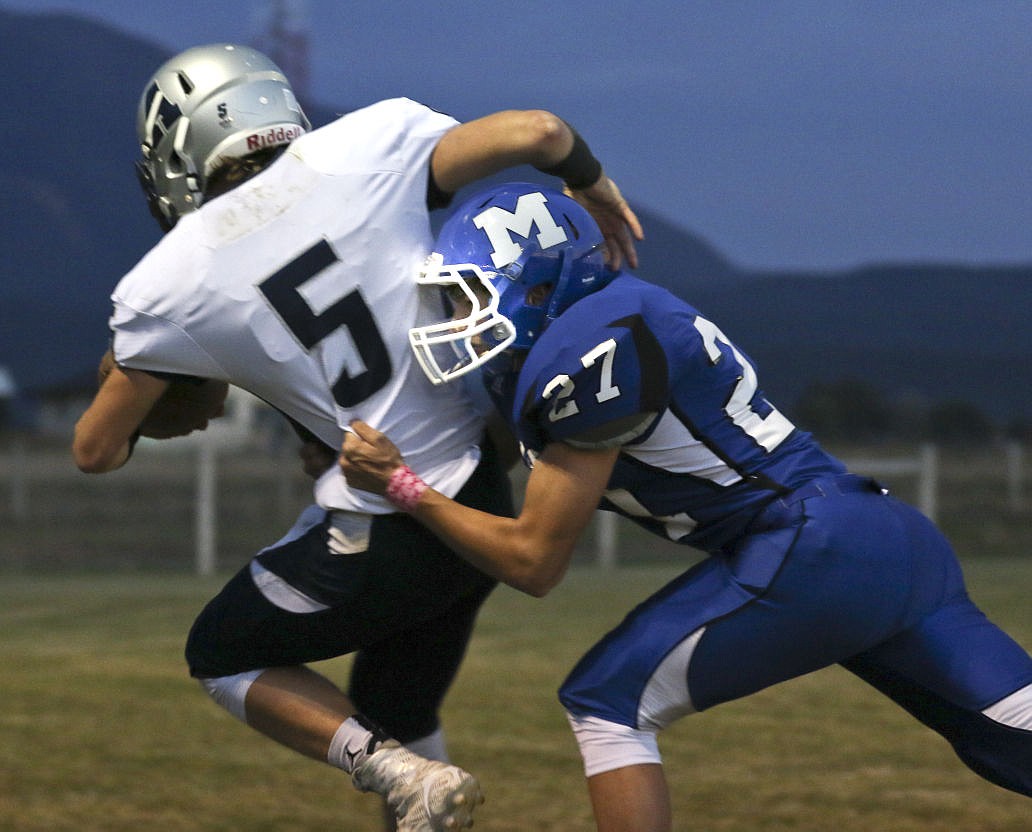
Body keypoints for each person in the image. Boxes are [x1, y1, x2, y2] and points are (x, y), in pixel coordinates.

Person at [71, 43, 643, 832]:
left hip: (386, 524)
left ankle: (390, 772)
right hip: (480, 492)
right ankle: (411, 772)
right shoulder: (369, 143)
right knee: (397, 708)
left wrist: (140, 368)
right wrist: (591, 182)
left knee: (223, 655)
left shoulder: (166, 284)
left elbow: (95, 450)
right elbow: (540, 132)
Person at [339, 182, 1032, 831]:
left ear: (539, 287)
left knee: (607, 704)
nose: (459, 319)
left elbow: (533, 560)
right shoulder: (608, 319)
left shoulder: (588, 355)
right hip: (881, 536)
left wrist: (402, 486)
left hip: (810, 547)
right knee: (1014, 739)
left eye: (470, 298)